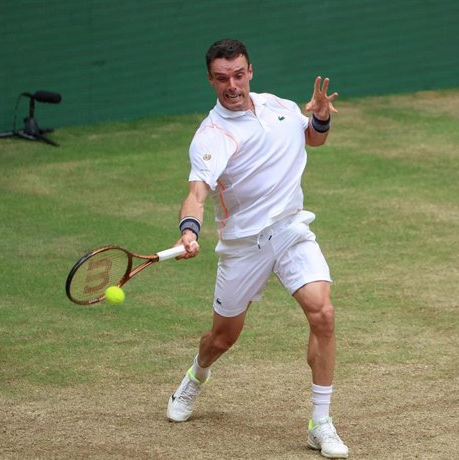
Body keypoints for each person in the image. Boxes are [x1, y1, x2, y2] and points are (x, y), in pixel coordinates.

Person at [167, 38, 349, 459]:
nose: (231, 85)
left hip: (289, 230)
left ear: (250, 71)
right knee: (222, 338)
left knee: (322, 312)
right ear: (210, 80)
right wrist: (189, 230)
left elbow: (313, 140)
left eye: (238, 74)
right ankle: (197, 375)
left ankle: (320, 423)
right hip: (243, 245)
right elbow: (196, 193)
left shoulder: (279, 106)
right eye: (221, 78)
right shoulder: (211, 136)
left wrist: (320, 117)